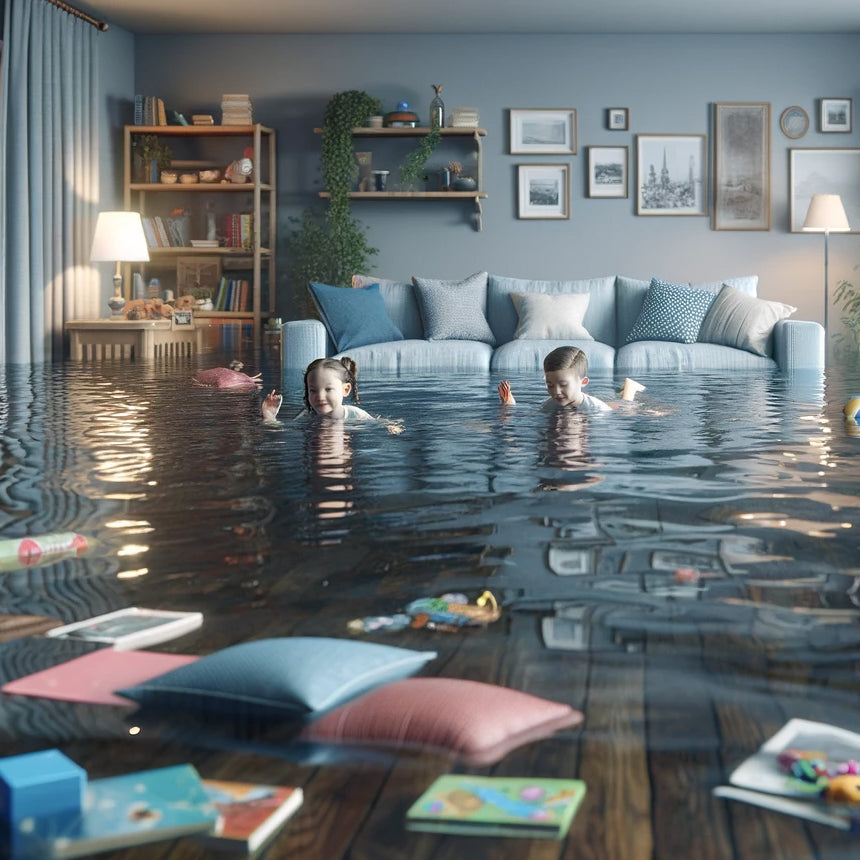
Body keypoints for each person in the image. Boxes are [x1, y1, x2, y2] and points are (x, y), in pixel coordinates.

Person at [262, 356, 403, 433]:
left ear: (345, 390)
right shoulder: (307, 415)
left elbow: (378, 422)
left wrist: (391, 426)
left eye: (328, 389)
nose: (320, 396)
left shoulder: (354, 414)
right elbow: (285, 430)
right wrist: (269, 416)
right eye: (313, 390)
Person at [498, 346, 612, 413]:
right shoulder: (549, 406)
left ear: (583, 382)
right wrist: (509, 407)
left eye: (563, 385)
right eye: (550, 385)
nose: (556, 392)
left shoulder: (599, 410)